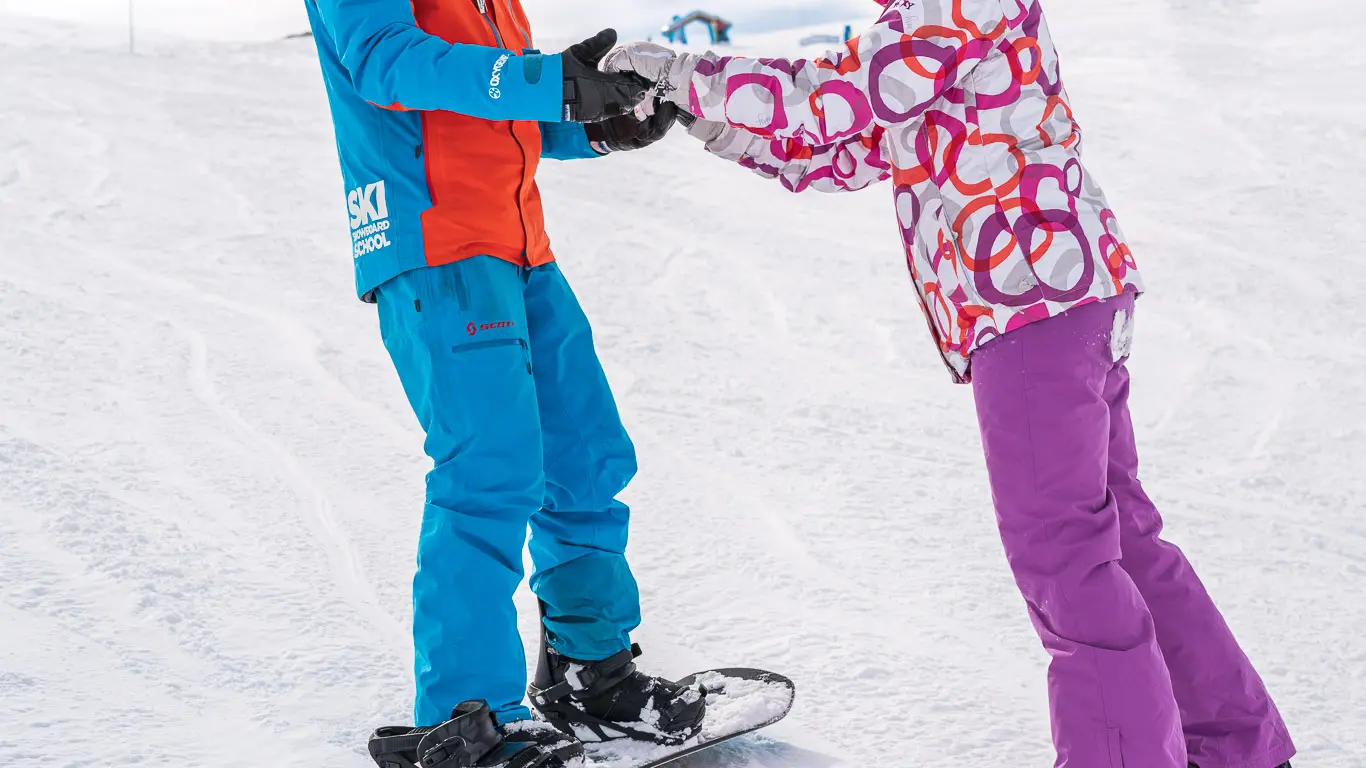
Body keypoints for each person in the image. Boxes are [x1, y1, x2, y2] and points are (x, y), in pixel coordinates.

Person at [601, 1, 1296, 766]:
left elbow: (839, 92)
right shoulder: (924, 29)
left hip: (1032, 301)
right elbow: (849, 147)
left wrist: (686, 72)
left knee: (1065, 556)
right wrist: (710, 122)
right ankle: (1234, 745)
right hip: (1067, 297)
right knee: (1119, 538)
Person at [304, 1, 705, 765]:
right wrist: (546, 82)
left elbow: (483, 111)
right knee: (490, 470)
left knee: (583, 458)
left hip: (517, 242)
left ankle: (592, 665)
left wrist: (590, 124)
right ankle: (467, 718)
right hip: (434, 242)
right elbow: (391, 63)